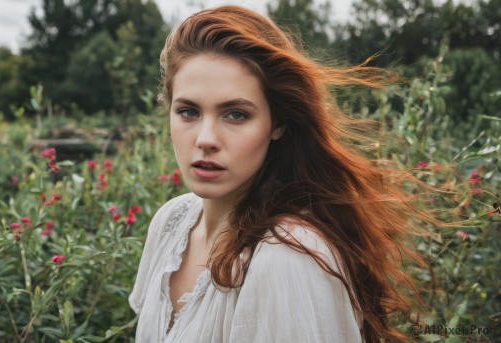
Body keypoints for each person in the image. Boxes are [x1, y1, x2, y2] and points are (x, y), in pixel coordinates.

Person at [129, 5, 433, 342]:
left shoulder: (288, 257)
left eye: (235, 115)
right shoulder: (171, 221)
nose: (205, 140)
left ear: (277, 124)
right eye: (188, 111)